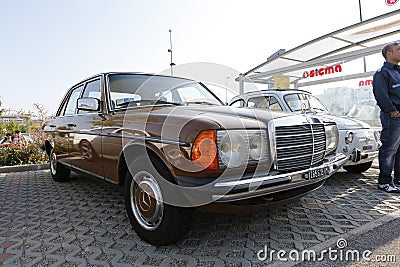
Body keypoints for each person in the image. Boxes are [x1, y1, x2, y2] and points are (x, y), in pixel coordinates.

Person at [372, 41, 400, 193]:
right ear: (389, 53)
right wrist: (392, 111)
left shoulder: (398, 71)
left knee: (398, 149)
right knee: (389, 148)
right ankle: (384, 182)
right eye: (398, 49)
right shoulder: (382, 72)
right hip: (393, 117)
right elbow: (380, 94)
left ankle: (398, 179)